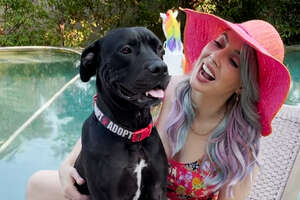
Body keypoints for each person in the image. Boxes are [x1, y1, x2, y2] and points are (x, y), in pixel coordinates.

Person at [26, 8, 291, 200]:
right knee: (37, 184)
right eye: (218, 43)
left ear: (243, 84)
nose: (214, 57)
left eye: (233, 61)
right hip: (129, 190)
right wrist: (68, 164)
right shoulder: (171, 88)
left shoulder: (238, 142)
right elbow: (109, 119)